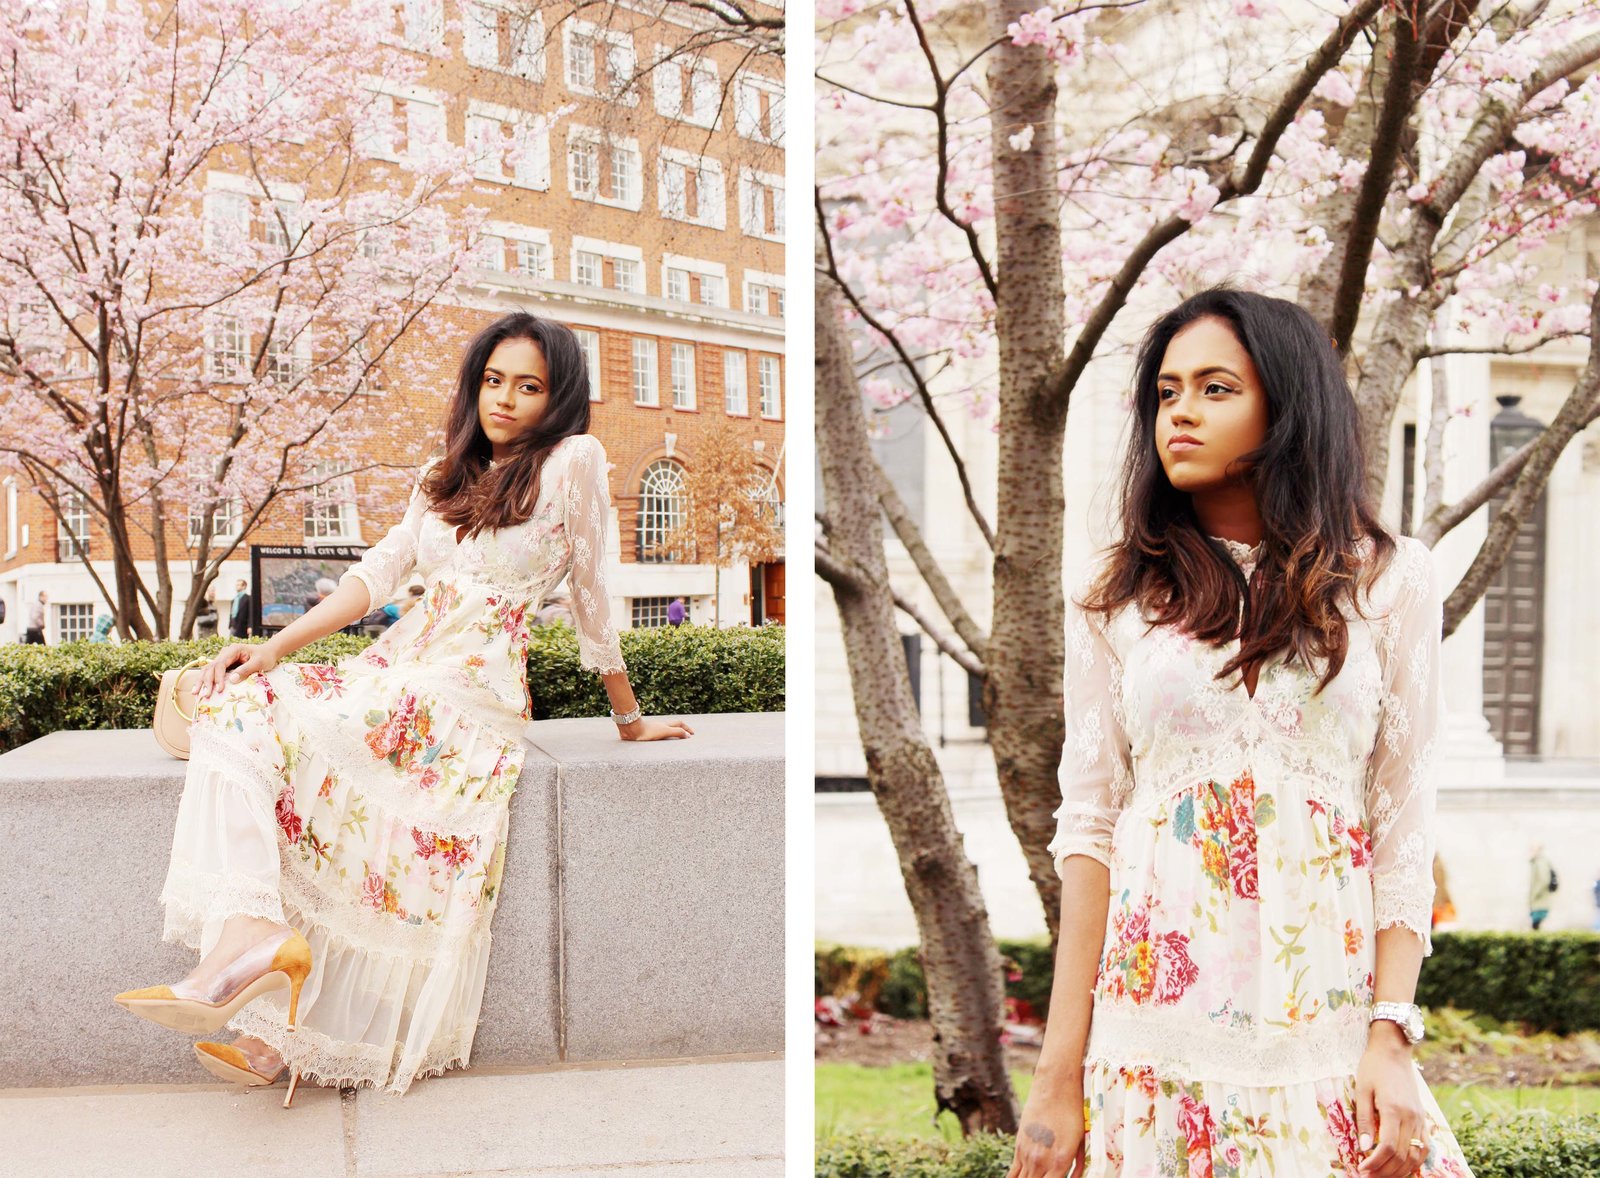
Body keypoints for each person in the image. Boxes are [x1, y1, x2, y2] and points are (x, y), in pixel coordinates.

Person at [113, 312, 695, 1104]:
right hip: (400, 668)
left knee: (322, 762)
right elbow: (377, 574)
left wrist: (629, 719)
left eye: (529, 387)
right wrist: (276, 645)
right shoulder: (442, 473)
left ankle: (268, 997)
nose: (505, 400)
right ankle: (262, 969)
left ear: (558, 399)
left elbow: (594, 594)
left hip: (471, 694)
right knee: (244, 705)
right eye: (493, 381)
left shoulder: (572, 463)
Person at [1010, 288, 1474, 1178]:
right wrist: (1055, 1077)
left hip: (1330, 1038)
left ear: (1288, 406)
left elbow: (1403, 825)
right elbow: (1091, 833)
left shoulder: (1390, 581)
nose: (1179, 411)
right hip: (1151, 1041)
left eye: (1216, 388)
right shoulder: (1114, 598)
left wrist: (1393, 1034)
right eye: (1167, 391)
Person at [1529, 843, 1555, 930]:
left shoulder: (1540, 862)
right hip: (1538, 902)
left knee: (1536, 926)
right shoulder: (1536, 861)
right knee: (1536, 927)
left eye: (1532, 849)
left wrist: (1534, 895)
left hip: (1539, 901)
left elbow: (1544, 880)